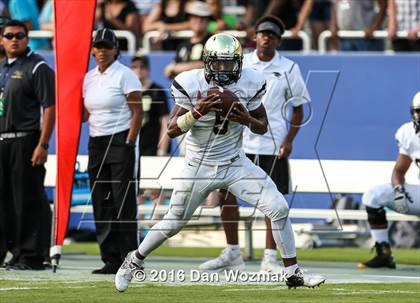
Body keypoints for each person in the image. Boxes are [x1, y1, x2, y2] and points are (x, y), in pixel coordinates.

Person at [114, 33, 325, 292]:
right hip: (198, 166)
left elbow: (262, 126)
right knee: (174, 221)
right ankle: (133, 261)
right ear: (206, 61)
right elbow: (171, 130)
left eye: (229, 63)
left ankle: (292, 272)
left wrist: (246, 118)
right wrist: (197, 111)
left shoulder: (251, 81)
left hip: (234, 163)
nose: (224, 68)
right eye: (218, 62)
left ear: (238, 62)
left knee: (278, 206)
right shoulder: (189, 82)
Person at [200, 15, 310, 273]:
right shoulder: (242, 63)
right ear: (255, 37)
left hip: (272, 144)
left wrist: (289, 141)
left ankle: (270, 258)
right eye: (262, 34)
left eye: (271, 35)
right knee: (226, 195)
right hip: (238, 142)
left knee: (273, 201)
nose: (266, 38)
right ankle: (232, 252)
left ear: (278, 40)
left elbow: (298, 110)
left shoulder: (289, 68)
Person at [83, 28, 143, 274]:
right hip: (96, 141)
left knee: (122, 202)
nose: (101, 51)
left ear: (116, 50)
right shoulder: (89, 77)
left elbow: (138, 111)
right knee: (101, 200)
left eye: (106, 47)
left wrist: (129, 142)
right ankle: (110, 259)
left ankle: (130, 259)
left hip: (119, 140)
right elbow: (87, 113)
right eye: (97, 47)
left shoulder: (125, 75)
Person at [0, 19, 55, 270]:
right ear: (2, 40)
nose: (14, 39)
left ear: (27, 37)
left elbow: (50, 107)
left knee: (27, 199)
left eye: (19, 35)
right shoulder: (3, 68)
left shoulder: (38, 67)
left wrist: (43, 144)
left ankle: (32, 255)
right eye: (9, 35)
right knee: (5, 200)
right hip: (3, 141)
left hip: (26, 139)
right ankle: (11, 251)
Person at [358, 92, 420, 269]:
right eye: (419, 112)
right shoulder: (408, 133)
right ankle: (383, 253)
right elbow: (399, 170)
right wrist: (399, 190)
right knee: (374, 196)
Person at [131, 55, 170, 156]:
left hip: (152, 148)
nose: (138, 70)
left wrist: (162, 149)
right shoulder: (129, 92)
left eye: (142, 66)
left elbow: (165, 121)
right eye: (134, 67)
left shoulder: (157, 91)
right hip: (133, 148)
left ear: (148, 69)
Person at [164, 1, 212, 80]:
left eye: (202, 17)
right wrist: (173, 69)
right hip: (185, 89)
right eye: (195, 17)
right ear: (189, 19)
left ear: (208, 20)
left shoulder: (212, 42)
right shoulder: (183, 44)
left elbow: (208, 66)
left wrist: (176, 68)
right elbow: (169, 72)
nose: (199, 21)